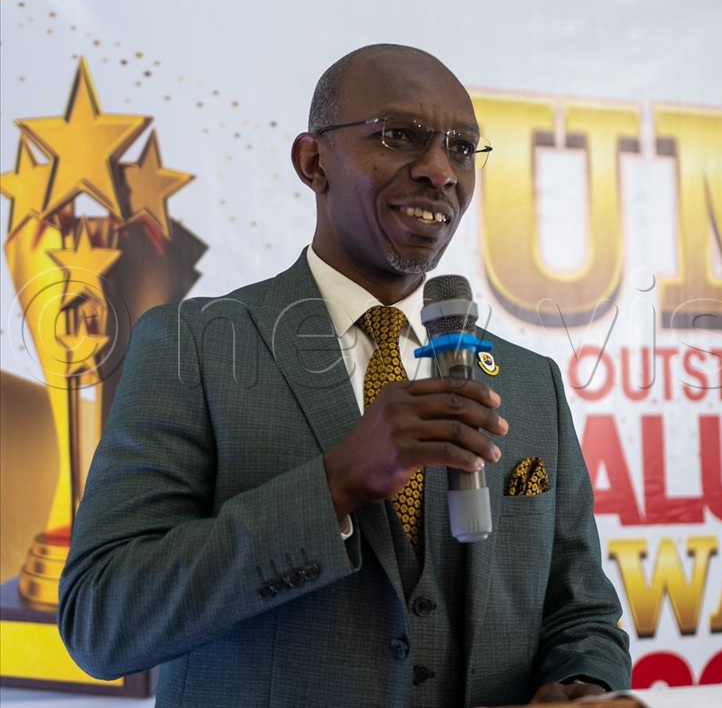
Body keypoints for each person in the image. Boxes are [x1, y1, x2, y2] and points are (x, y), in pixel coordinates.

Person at [58, 44, 631, 706]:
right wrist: (335, 485)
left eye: (461, 148)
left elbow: (583, 614)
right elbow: (101, 620)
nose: (440, 171)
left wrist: (585, 685)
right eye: (400, 135)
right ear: (314, 162)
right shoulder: (196, 345)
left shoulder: (531, 384)